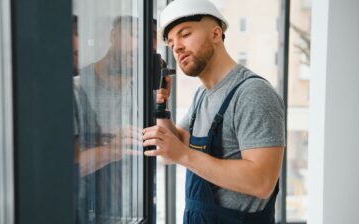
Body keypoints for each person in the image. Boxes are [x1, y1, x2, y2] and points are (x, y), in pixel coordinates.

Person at [143, 0, 285, 223]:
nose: (177, 47)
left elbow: (262, 182)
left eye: (185, 34)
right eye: (171, 43)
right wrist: (162, 105)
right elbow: (175, 145)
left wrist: (183, 154)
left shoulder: (253, 93)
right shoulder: (202, 96)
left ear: (216, 34)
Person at [74, 15, 141, 224]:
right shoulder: (78, 86)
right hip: (87, 212)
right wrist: (111, 149)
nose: (140, 47)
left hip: (133, 212)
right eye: (135, 35)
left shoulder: (144, 92)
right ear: (114, 35)